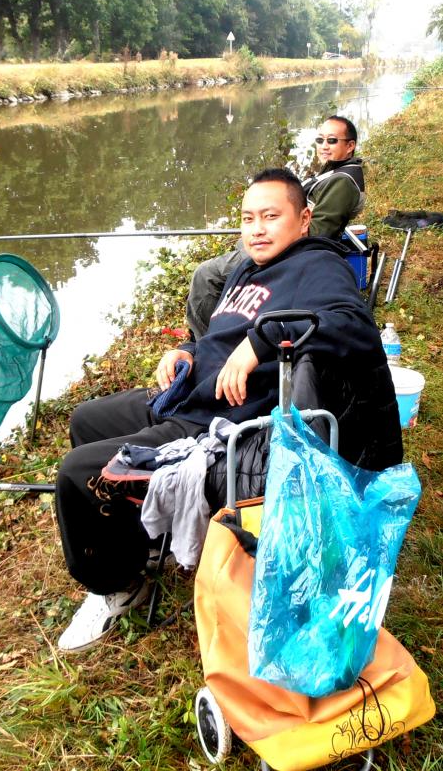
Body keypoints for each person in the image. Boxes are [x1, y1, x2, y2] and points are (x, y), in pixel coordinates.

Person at [53, 167, 393, 651]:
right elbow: (217, 335)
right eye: (248, 217)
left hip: (212, 424)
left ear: (303, 219)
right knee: (86, 420)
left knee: (76, 472)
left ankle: (115, 585)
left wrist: (266, 340)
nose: (257, 228)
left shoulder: (318, 266)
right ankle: (139, 536)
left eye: (271, 216)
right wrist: (187, 352)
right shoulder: (249, 267)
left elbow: (353, 326)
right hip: (190, 391)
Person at [184, 115, 366, 340]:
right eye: (320, 140)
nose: (324, 146)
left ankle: (204, 341)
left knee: (206, 275)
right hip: (283, 240)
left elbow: (320, 230)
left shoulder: (343, 182)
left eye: (332, 141)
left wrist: (272, 231)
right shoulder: (334, 171)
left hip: (293, 250)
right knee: (237, 250)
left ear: (350, 146)